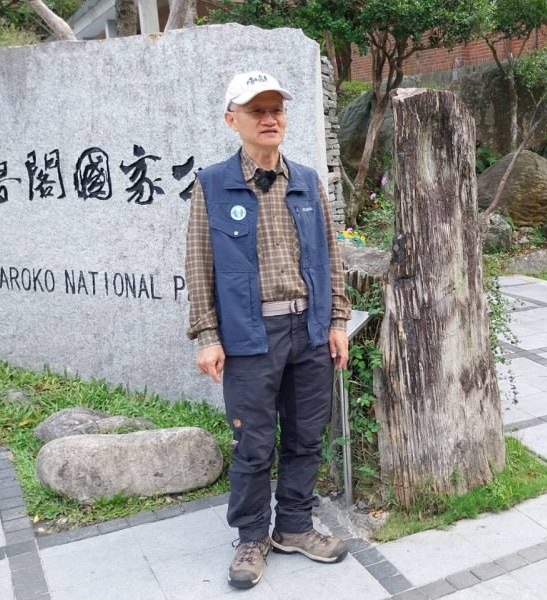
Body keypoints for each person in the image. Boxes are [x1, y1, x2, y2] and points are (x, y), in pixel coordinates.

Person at [185, 70, 352, 590]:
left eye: (276, 109)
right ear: (231, 119)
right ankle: (253, 536)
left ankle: (294, 526)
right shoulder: (212, 185)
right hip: (249, 334)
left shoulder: (306, 181)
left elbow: (331, 255)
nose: (269, 118)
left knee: (305, 436)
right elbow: (199, 264)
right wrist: (207, 336)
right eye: (256, 110)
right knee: (253, 443)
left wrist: (338, 320)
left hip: (310, 329)